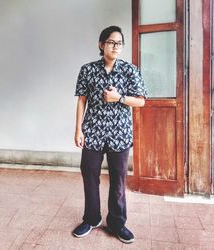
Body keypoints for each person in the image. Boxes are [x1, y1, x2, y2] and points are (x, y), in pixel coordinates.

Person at [73, 25, 147, 244]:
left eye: (119, 43)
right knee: (89, 175)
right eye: (111, 42)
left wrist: (119, 98)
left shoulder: (130, 70)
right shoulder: (87, 69)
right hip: (93, 131)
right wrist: (78, 129)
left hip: (119, 133)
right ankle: (92, 218)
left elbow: (141, 100)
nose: (115, 46)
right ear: (101, 44)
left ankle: (117, 223)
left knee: (118, 180)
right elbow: (81, 100)